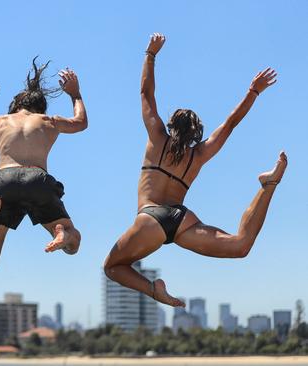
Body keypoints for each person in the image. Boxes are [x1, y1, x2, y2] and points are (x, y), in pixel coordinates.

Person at [103, 33, 286, 307]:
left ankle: (154, 290)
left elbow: (146, 93)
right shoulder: (197, 155)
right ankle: (267, 186)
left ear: (171, 125)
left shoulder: (157, 138)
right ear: (194, 133)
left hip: (150, 218)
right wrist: (253, 91)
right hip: (181, 220)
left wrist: (150, 55)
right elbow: (230, 123)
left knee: (112, 266)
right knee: (240, 245)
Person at [0, 58, 88, 272]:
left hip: (4, 180)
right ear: (41, 108)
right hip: (37, 179)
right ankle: (63, 233)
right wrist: (75, 94)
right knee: (73, 244)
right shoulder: (48, 120)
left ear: (15, 107)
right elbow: (80, 123)